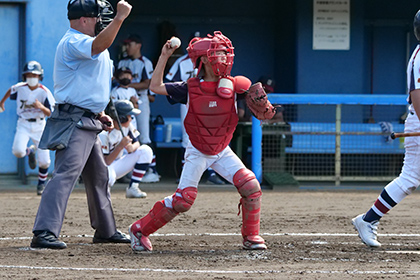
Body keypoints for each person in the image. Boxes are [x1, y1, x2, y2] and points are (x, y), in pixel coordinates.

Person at [128, 31, 267, 251]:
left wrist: (260, 104)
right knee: (184, 200)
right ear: (203, 60)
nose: (224, 59)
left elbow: (249, 106)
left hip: (222, 150)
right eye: (218, 54)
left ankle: (251, 236)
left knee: (251, 186)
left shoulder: (234, 86)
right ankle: (139, 229)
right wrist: (164, 56)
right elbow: (154, 87)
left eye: (225, 54)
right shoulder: (189, 87)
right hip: (198, 150)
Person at [30, 0, 132, 249]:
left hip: (88, 119)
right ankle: (44, 231)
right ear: (84, 19)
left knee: (98, 176)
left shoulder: (94, 45)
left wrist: (99, 113)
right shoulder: (73, 41)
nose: (101, 21)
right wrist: (120, 18)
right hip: (74, 121)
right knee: (66, 175)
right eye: (98, 17)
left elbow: (89, 85)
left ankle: (106, 230)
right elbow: (100, 44)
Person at [352, 9, 420, 248]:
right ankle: (367, 220)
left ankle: (368, 220)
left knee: (410, 178)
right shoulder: (419, 58)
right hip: (419, 122)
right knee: (410, 178)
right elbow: (418, 96)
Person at [165, 38, 224, 185]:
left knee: (213, 134)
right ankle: (187, 173)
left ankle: (212, 173)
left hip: (210, 99)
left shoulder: (211, 59)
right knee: (188, 136)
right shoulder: (182, 61)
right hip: (188, 99)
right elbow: (168, 82)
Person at [0, 61, 55, 195]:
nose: (31, 77)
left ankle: (41, 184)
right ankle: (30, 151)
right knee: (18, 152)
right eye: (29, 75)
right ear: (25, 76)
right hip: (23, 123)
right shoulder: (20, 87)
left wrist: (41, 107)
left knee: (45, 161)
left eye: (34, 75)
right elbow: (10, 90)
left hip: (40, 125)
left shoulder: (44, 91)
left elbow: (51, 113)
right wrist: (2, 103)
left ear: (39, 76)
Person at [118, 34, 160, 183]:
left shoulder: (145, 62)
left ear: (138, 46)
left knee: (143, 137)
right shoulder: (122, 61)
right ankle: (127, 170)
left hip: (140, 99)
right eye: (127, 45)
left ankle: (151, 170)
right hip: (123, 99)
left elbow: (148, 84)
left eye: (130, 44)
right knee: (125, 135)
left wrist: (127, 85)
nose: (127, 47)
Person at [99, 100, 152, 198]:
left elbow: (137, 142)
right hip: (103, 167)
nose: (131, 119)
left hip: (118, 163)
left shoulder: (127, 127)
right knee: (109, 177)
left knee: (145, 150)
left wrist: (132, 147)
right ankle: (102, 194)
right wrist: (120, 146)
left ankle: (133, 188)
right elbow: (106, 162)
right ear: (121, 118)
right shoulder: (104, 133)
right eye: (129, 116)